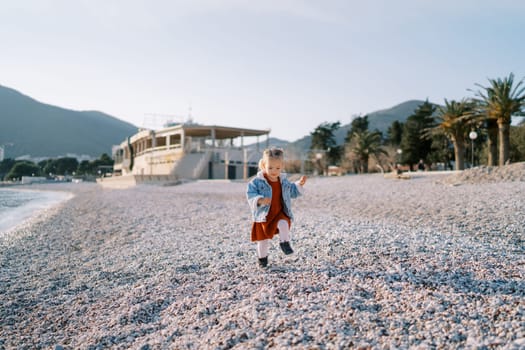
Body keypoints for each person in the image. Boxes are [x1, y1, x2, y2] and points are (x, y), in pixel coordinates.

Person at [246, 147, 307, 268]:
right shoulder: (256, 182)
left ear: (282, 166)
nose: (274, 171)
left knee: (284, 224)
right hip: (264, 216)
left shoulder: (283, 181)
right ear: (263, 165)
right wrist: (260, 200)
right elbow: (250, 194)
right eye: (270, 168)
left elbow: (292, 191)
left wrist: (299, 184)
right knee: (263, 241)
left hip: (279, 212)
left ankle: (284, 243)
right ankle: (262, 260)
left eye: (278, 168)